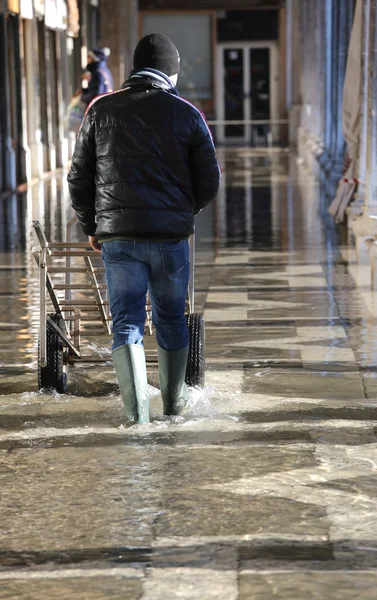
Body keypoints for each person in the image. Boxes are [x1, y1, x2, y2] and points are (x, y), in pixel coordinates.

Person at [68, 34, 221, 424]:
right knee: (170, 318)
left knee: (127, 323)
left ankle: (137, 422)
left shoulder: (101, 110)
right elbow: (210, 178)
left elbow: (78, 177)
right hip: (170, 239)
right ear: (171, 70)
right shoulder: (187, 113)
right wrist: (184, 213)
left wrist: (93, 226)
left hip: (118, 238)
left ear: (134, 68)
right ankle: (174, 409)